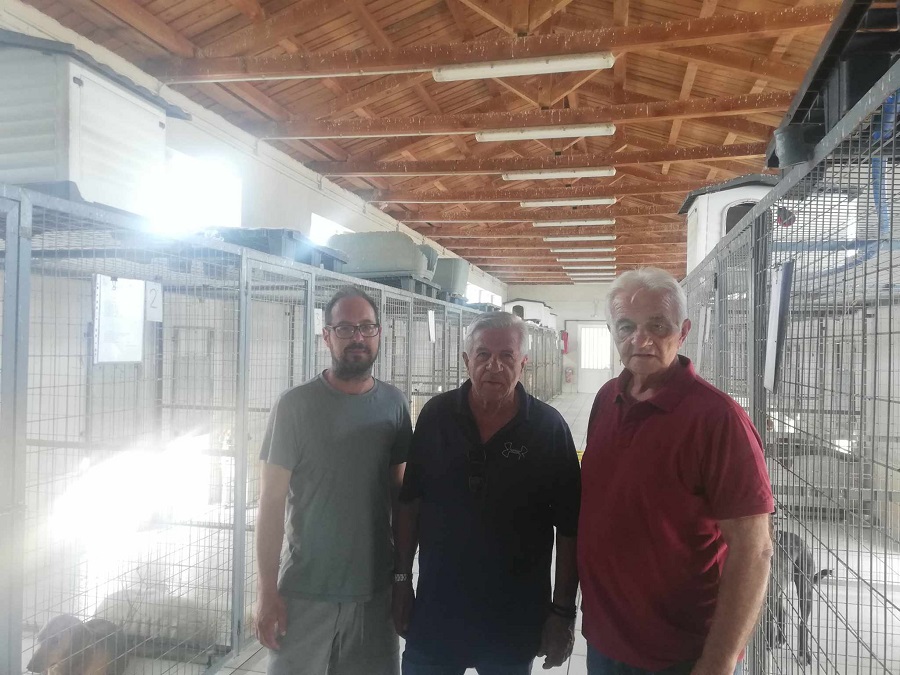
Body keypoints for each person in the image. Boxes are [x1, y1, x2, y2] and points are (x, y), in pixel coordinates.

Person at [578, 268, 774, 675]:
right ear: (612, 331)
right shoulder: (607, 398)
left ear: (683, 332)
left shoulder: (717, 419)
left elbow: (754, 550)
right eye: (626, 326)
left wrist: (718, 661)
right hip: (605, 640)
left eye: (658, 325)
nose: (641, 340)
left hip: (679, 653)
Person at [394, 312, 581, 675]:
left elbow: (570, 530)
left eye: (507, 356)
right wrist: (401, 581)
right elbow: (410, 503)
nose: (494, 366)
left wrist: (562, 612)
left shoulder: (548, 429)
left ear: (523, 363)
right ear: (467, 360)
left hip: (513, 619)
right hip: (438, 612)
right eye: (483, 354)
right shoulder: (436, 417)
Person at [255, 286, 412, 675]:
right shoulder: (295, 405)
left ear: (379, 333)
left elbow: (401, 498)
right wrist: (267, 591)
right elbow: (271, 502)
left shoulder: (394, 404)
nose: (357, 337)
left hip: (374, 593)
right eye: (344, 328)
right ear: (326, 336)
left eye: (366, 327)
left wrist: (402, 579)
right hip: (305, 591)